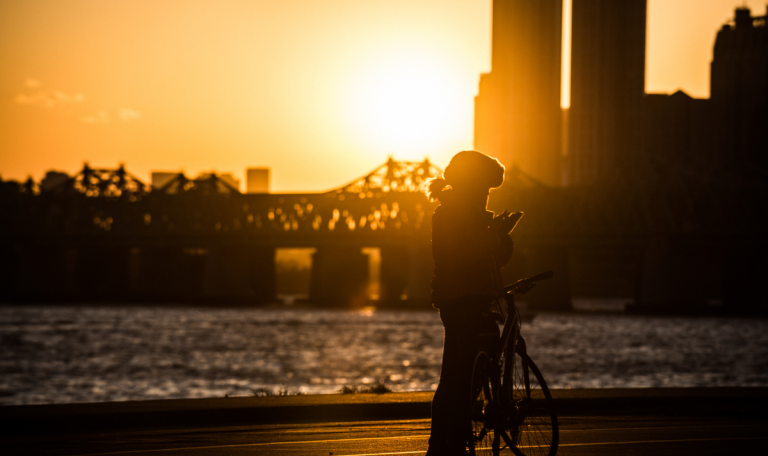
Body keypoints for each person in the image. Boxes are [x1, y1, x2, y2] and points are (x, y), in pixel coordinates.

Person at [424, 150, 520, 456]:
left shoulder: (472, 214)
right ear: (471, 185)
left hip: (477, 297)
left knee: (464, 372)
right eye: (485, 188)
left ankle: (453, 436)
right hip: (460, 299)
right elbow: (464, 253)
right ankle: (445, 443)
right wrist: (496, 236)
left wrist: (501, 237)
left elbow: (494, 258)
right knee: (456, 375)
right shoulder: (451, 213)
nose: (487, 196)